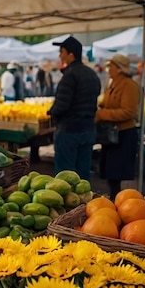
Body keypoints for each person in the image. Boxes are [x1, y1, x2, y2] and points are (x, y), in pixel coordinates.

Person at [48, 36, 100, 181]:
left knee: (65, 177)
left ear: (71, 54)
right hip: (88, 129)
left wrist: (52, 113)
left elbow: (62, 105)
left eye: (62, 52)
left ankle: (70, 204)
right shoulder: (92, 74)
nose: (60, 55)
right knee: (83, 175)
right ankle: (84, 202)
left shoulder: (70, 75)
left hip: (69, 131)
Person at [95, 54, 139, 200]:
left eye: (111, 66)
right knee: (111, 174)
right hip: (112, 135)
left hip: (124, 135)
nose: (108, 69)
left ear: (120, 69)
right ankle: (115, 200)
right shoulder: (113, 83)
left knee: (117, 174)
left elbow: (129, 112)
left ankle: (119, 203)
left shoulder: (129, 85)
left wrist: (102, 114)